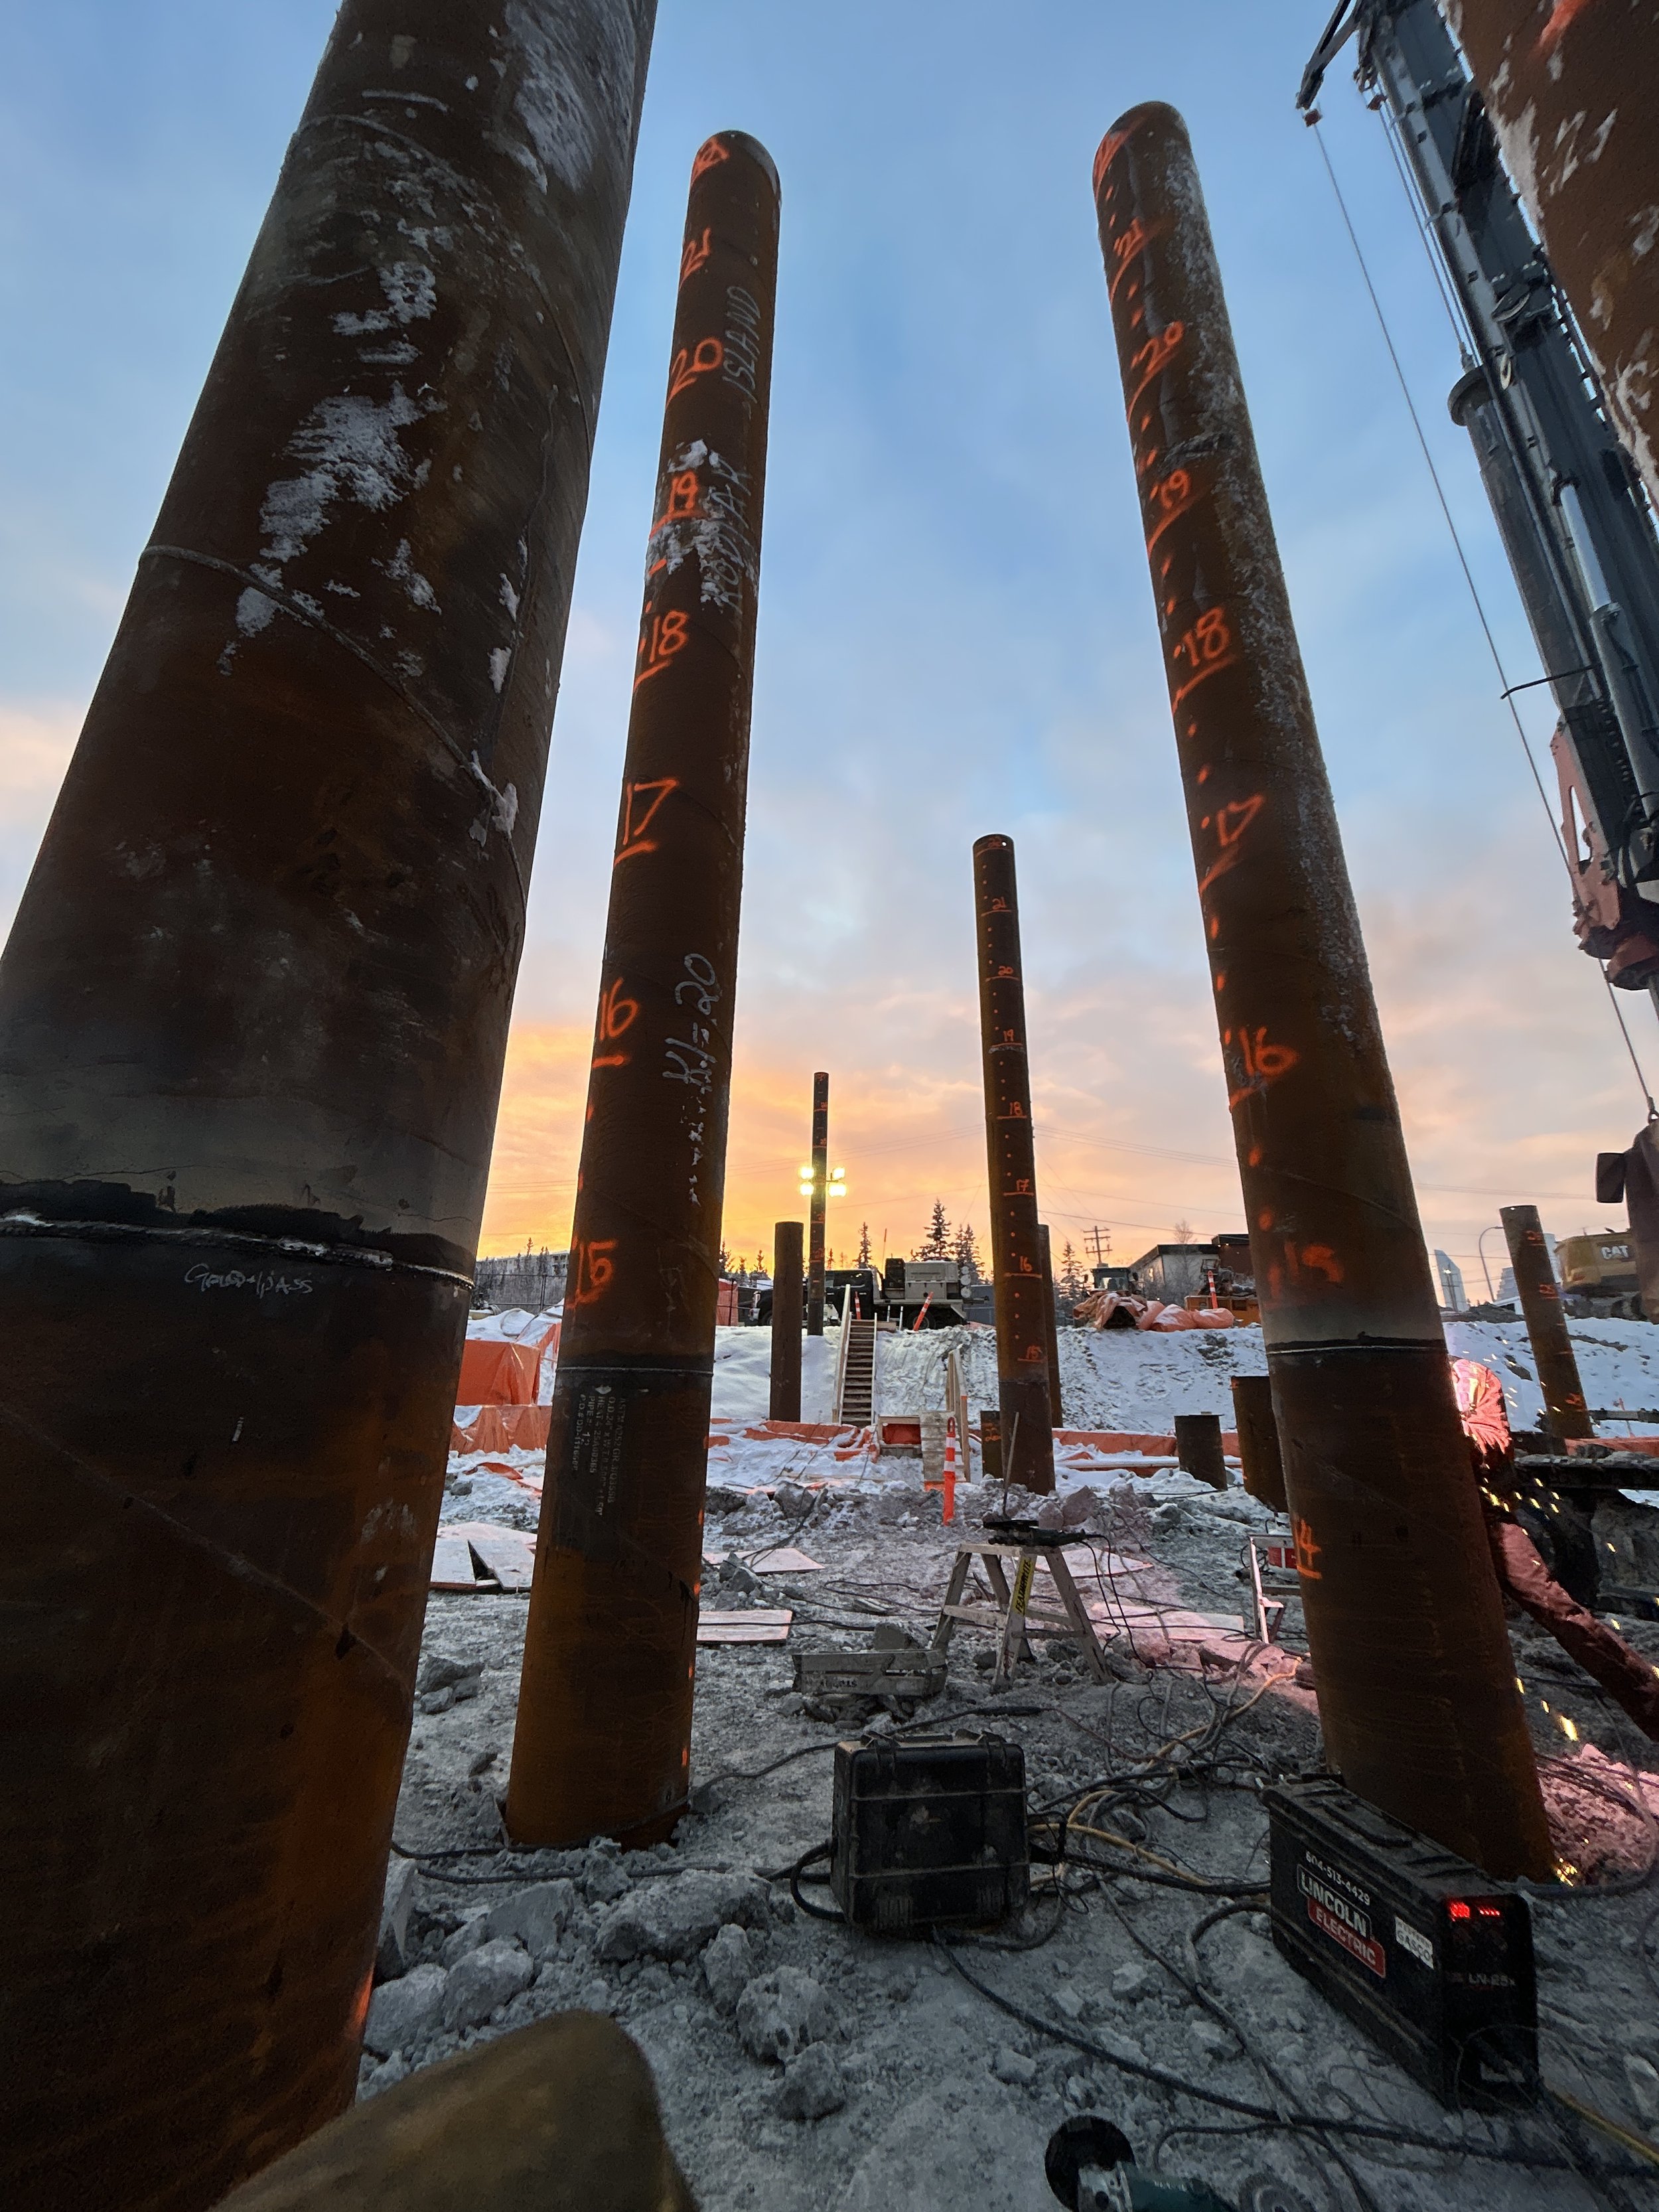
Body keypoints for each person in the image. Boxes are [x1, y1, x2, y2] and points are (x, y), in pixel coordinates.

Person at [1453, 1358, 1659, 1741]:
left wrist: (1448, 1432)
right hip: (1415, 1515)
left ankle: (1651, 1705)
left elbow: (1493, 1441)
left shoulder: (1473, 1378)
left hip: (1486, 1514)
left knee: (1556, 1607)